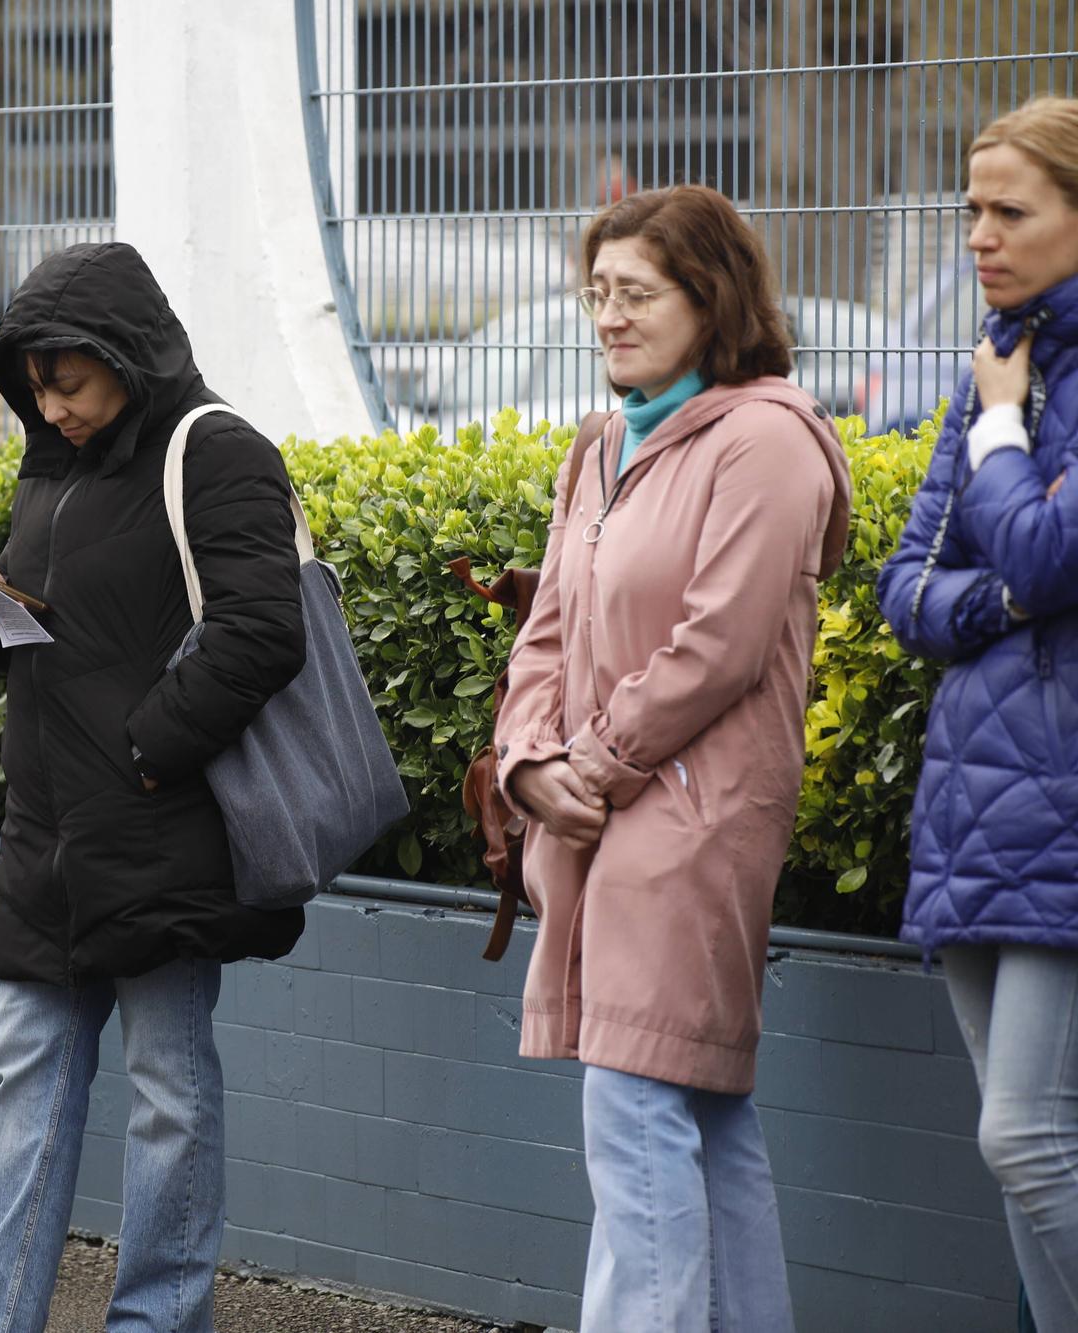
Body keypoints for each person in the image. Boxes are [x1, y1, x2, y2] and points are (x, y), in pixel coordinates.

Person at [0, 241, 308, 1333]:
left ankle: (154, 1321)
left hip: (161, 827)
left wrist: (148, 748)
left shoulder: (217, 450)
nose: (52, 406)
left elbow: (260, 630)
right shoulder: (53, 459)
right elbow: (67, 623)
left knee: (167, 1097)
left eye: (69, 381)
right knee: (22, 1081)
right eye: (35, 384)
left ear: (127, 356)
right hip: (47, 833)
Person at [494, 185, 851, 1331]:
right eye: (596, 293)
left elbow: (719, 645)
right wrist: (524, 762)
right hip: (598, 814)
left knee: (634, 1102)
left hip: (695, 820)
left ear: (710, 297)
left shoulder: (768, 440)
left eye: (634, 293)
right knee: (697, 1110)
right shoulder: (598, 445)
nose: (607, 316)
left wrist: (582, 769)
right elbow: (545, 627)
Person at [877, 95, 1078, 1329]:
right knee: (1020, 1144)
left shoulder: (997, 388)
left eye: (1009, 211)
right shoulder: (991, 362)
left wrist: (1002, 431)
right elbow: (906, 584)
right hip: (968, 795)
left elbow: (1045, 554)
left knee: (1024, 1138)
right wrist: (1009, 589)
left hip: (1059, 797)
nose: (977, 236)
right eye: (969, 210)